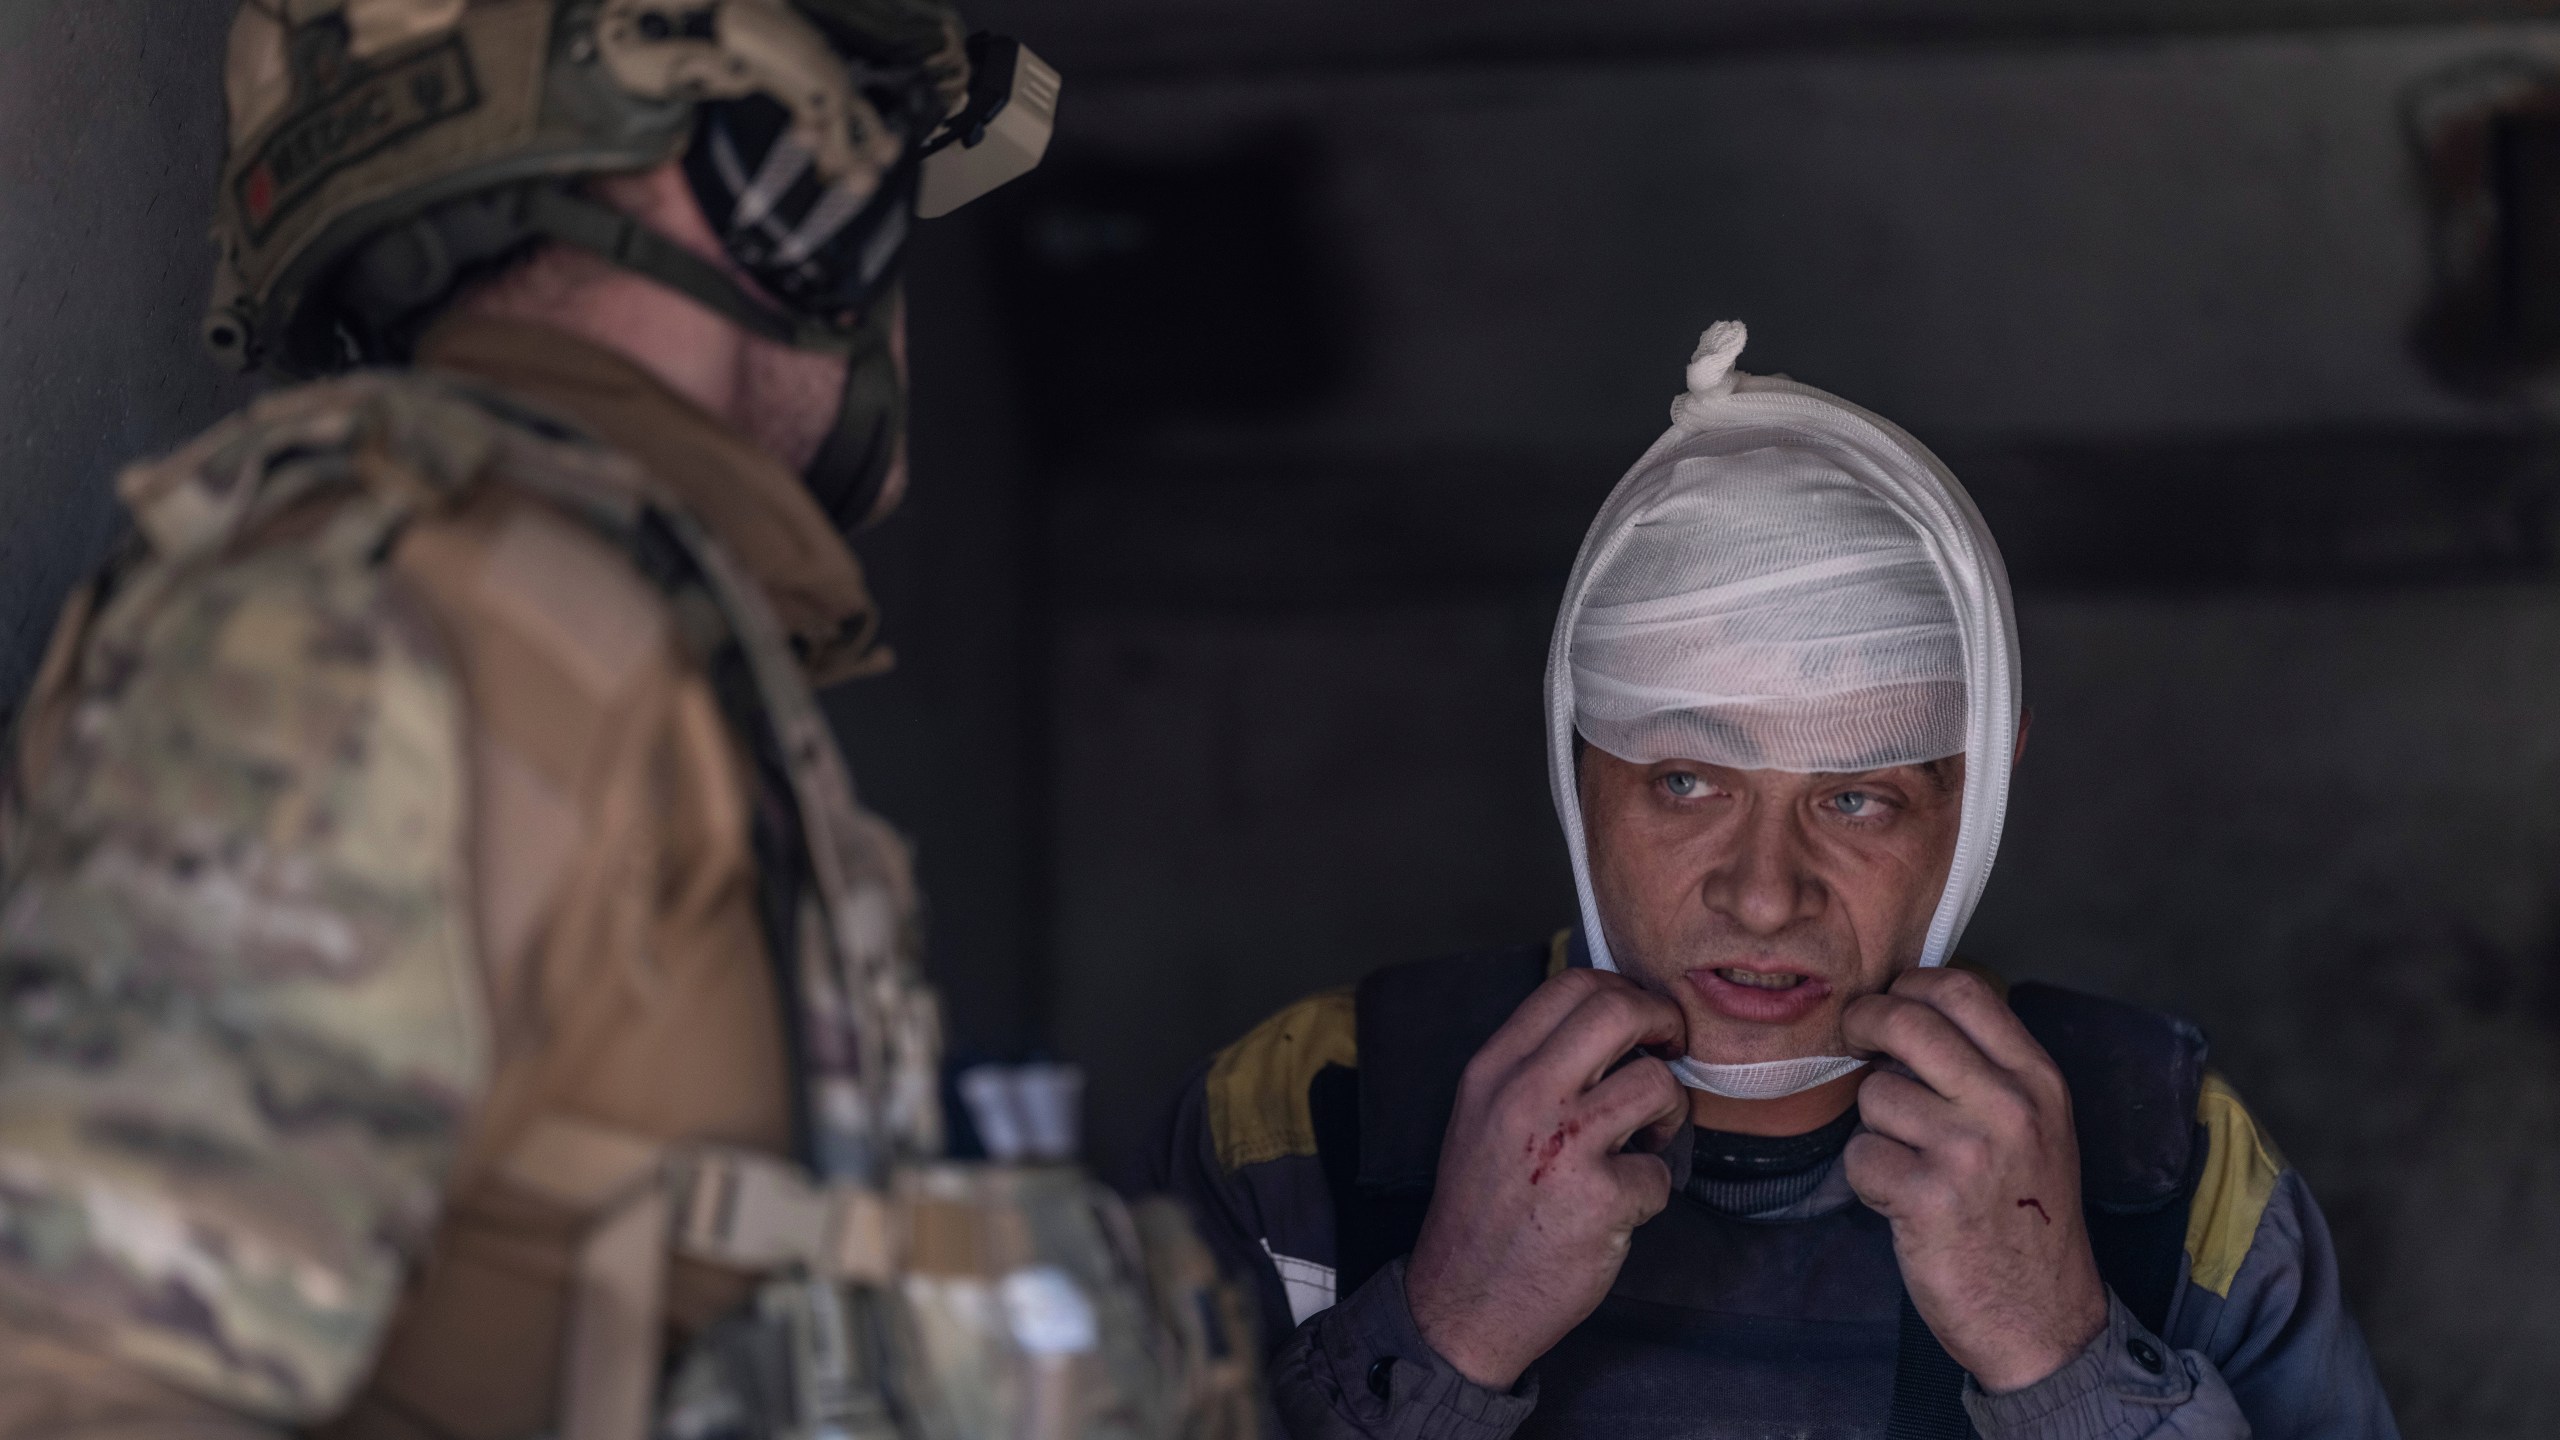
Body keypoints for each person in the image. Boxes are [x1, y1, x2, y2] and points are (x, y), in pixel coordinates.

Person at [0, 5, 1253, 1439]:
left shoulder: (588, 638)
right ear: (762, 162)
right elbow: (69, 1380)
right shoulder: (400, 629)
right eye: (871, 156)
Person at [1138, 323, 2400, 1440]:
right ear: (1578, 769)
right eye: (1685, 781)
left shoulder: (2163, 1164)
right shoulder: (1312, 1121)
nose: (1760, 895)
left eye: (1856, 800)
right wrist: (1449, 1325)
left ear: (1978, 802)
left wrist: (2058, 1355)